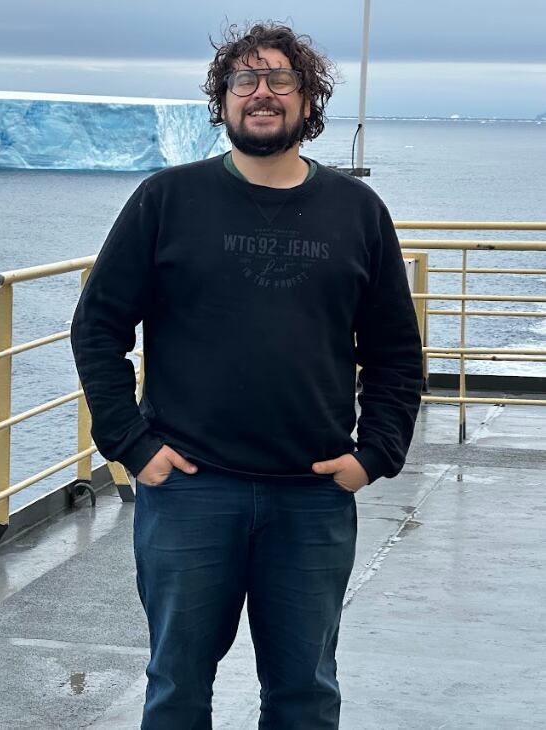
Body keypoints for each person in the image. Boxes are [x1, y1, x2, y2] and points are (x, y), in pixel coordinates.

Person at [69, 22, 423, 730]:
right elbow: (98, 325)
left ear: (307, 99)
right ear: (223, 101)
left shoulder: (358, 213)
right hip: (192, 493)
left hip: (314, 498)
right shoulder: (166, 200)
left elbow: (395, 351)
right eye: (244, 81)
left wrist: (374, 455)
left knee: (305, 695)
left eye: (280, 80)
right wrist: (133, 446)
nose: (261, 94)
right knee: (176, 689)